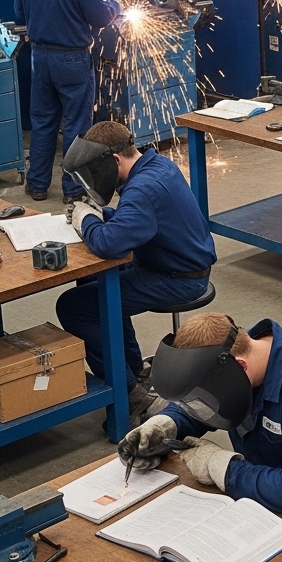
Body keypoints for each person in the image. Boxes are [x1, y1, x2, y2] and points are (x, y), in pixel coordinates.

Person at [118, 313, 282, 541]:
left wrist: (219, 466)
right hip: (268, 483)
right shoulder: (235, 364)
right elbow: (207, 405)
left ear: (239, 368)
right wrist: (168, 424)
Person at [59, 121, 217, 425]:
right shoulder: (156, 166)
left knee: (75, 307)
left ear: (115, 160)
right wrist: (101, 214)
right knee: (93, 282)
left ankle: (129, 394)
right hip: (170, 264)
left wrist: (86, 220)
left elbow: (108, 243)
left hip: (178, 280)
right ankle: (134, 369)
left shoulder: (143, 187)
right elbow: (138, 220)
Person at [14, 0, 122, 202]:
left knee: (43, 121)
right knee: (76, 124)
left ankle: (37, 185)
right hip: (72, 59)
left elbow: (19, 12)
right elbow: (100, 18)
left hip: (40, 58)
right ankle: (73, 190)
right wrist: (114, 5)